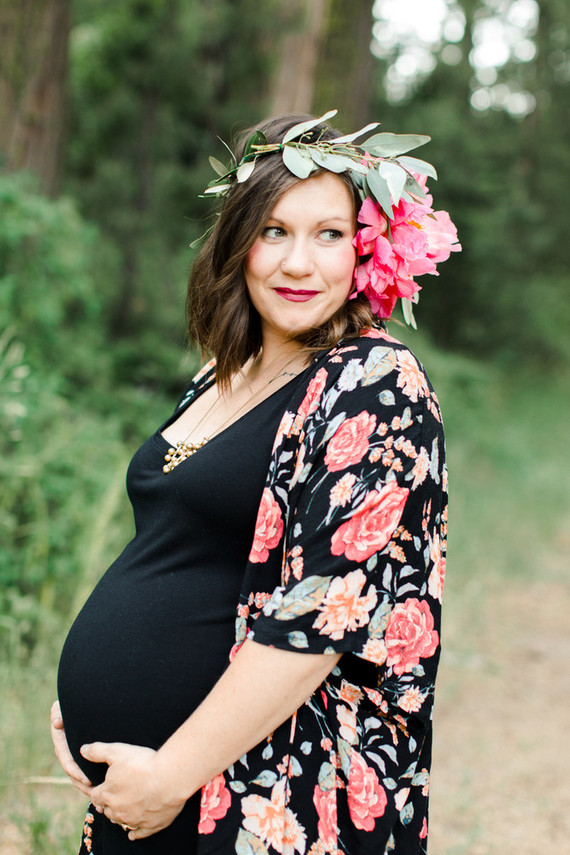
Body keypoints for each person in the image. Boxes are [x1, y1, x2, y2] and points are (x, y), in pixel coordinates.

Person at [52, 109, 459, 855]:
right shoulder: (222, 373)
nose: (298, 263)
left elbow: (320, 616)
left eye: (328, 234)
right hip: (146, 785)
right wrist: (81, 697)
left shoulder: (373, 383)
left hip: (259, 795)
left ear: (370, 249)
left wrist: (171, 771)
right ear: (237, 242)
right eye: (274, 230)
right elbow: (179, 550)